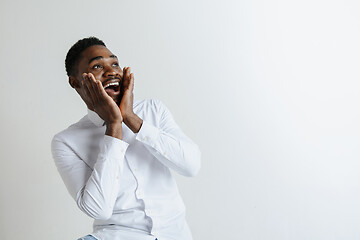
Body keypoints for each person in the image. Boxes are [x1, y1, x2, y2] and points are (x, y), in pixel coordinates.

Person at [51, 37, 201, 240]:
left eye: (114, 63)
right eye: (97, 66)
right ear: (75, 82)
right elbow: (99, 210)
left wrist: (132, 119)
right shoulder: (66, 142)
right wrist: (114, 125)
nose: (112, 71)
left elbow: (191, 165)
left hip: (173, 234)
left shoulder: (152, 110)